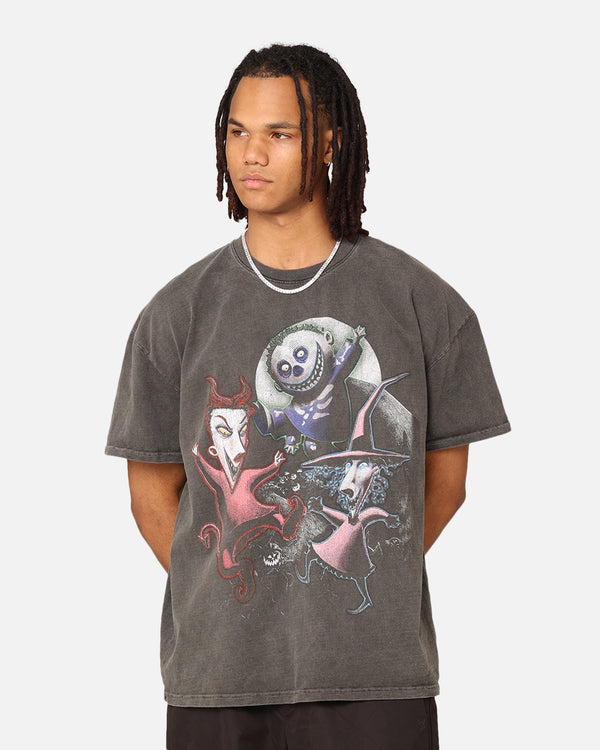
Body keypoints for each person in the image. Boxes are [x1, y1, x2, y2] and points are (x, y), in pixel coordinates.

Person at [106, 43, 511, 750]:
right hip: (220, 679)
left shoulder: (424, 304)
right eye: (237, 130)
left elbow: (445, 486)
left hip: (375, 681)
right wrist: (245, 575)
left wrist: (348, 559)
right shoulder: (174, 315)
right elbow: (150, 497)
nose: (251, 153)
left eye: (279, 133)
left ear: (329, 142)